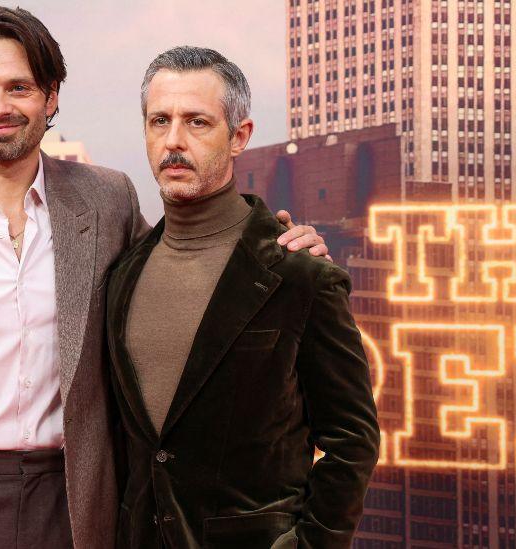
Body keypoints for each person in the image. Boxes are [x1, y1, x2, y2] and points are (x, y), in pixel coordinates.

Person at [0, 7, 329, 548]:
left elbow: (184, 273)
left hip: (77, 499)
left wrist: (277, 249)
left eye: (19, 87)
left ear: (51, 96)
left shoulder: (107, 199)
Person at [105, 46, 380, 549]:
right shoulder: (123, 272)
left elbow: (352, 442)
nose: (173, 141)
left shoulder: (299, 273)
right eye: (159, 120)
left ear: (239, 137)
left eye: (197, 122)